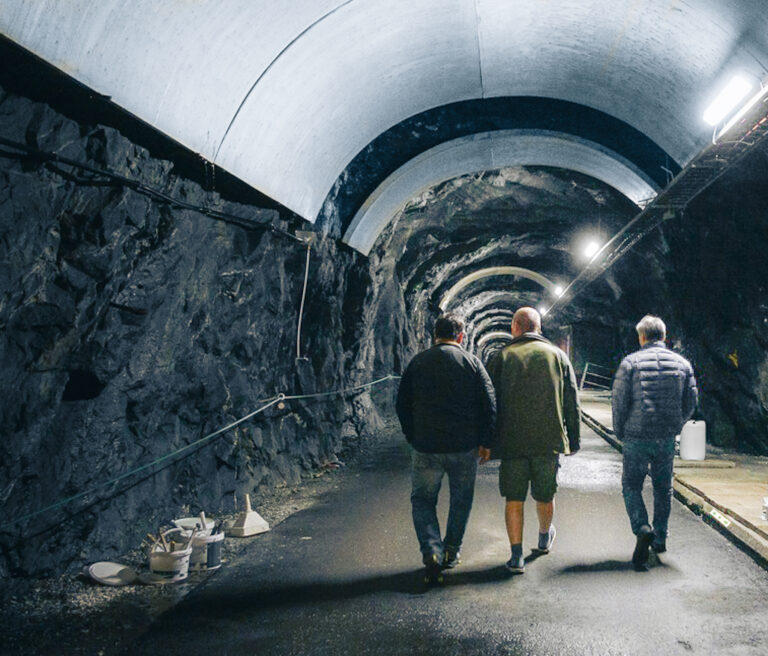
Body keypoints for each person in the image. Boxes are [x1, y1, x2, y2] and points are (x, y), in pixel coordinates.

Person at [396, 313, 496, 580]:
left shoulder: (418, 362)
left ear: (434, 335)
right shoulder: (472, 363)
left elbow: (402, 403)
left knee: (423, 500)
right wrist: (486, 441)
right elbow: (489, 403)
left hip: (426, 446)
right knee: (461, 500)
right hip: (464, 447)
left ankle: (431, 549)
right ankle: (451, 551)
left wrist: (412, 435)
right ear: (461, 336)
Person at [486, 307, 580, 574]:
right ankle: (543, 538)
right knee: (545, 494)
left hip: (511, 441)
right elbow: (571, 400)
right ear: (538, 327)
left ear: (515, 326)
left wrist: (487, 440)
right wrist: (573, 439)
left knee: (514, 498)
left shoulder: (501, 357)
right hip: (547, 440)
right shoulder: (558, 356)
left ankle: (516, 557)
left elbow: (489, 403)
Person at [612, 315, 698, 571]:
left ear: (641, 337)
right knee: (663, 488)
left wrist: (620, 430)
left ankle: (642, 528)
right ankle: (659, 537)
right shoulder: (682, 364)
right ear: (664, 336)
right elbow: (692, 401)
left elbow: (619, 400)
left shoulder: (630, 363)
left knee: (631, 485)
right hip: (665, 437)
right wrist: (677, 424)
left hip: (636, 436)